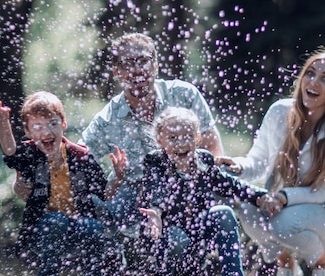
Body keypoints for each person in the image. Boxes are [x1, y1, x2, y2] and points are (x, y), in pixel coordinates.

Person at [13, 32, 224, 235]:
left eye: (143, 60)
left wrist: (189, 189)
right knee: (94, 202)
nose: (136, 69)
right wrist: (29, 173)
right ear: (116, 72)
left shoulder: (184, 95)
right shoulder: (107, 119)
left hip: (185, 186)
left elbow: (212, 149)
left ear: (156, 65)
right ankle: (114, 253)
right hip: (133, 198)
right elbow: (74, 160)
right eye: (126, 63)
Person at [217, 49, 325, 276]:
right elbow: (258, 161)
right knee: (249, 210)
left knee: (283, 224)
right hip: (282, 203)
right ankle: (286, 265)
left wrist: (284, 197)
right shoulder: (279, 112)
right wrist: (239, 166)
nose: (314, 82)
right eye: (310, 74)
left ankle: (324, 262)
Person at [137, 107, 279, 276]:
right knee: (177, 238)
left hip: (197, 236)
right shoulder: (156, 162)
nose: (181, 142)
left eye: (187, 136)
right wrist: (156, 213)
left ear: (197, 137)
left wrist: (259, 196)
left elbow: (228, 184)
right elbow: (154, 189)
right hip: (167, 236)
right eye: (173, 137)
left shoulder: (203, 160)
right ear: (160, 140)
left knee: (223, 213)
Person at [0, 91, 113, 276]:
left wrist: (119, 176)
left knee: (92, 225)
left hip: (76, 233)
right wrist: (3, 120)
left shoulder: (80, 157)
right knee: (56, 220)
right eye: (38, 126)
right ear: (28, 132)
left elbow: (105, 193)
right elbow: (10, 151)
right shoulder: (30, 154)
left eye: (52, 123)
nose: (46, 132)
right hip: (40, 233)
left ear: (63, 125)